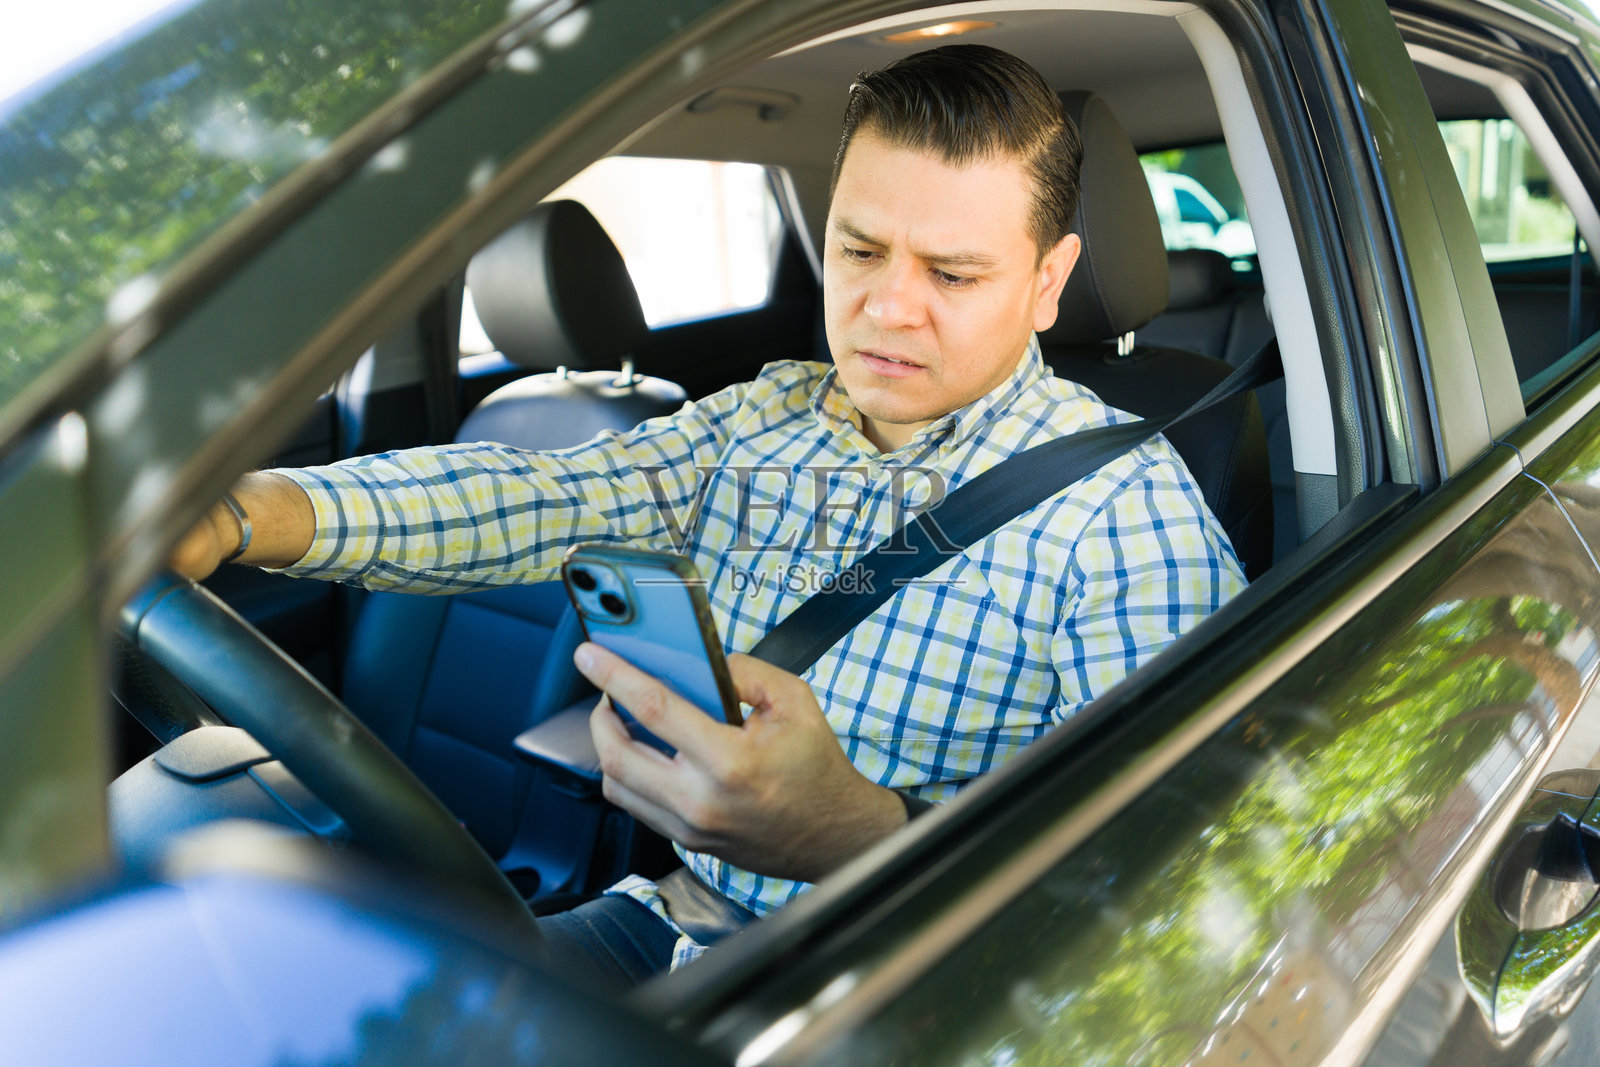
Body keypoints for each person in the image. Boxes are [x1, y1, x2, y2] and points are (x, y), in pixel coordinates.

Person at [171, 44, 1245, 989]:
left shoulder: (1125, 514)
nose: (886, 307)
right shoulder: (766, 410)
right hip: (675, 918)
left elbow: (1186, 880)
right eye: (859, 249)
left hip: (923, 974)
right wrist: (250, 508)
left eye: (953, 272)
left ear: (1050, 280)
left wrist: (862, 832)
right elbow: (548, 495)